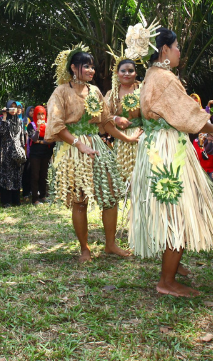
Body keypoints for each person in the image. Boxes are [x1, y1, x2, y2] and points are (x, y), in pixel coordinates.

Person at [126, 23, 213, 297]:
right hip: (168, 149)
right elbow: (186, 112)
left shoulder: (152, 74)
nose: (178, 54)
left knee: (171, 208)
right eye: (176, 48)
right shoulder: (164, 77)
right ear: (164, 50)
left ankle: (173, 266)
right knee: (177, 210)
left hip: (156, 147)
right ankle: (167, 281)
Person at [46, 44, 141, 262]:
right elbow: (56, 125)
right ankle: (85, 249)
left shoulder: (95, 91)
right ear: (73, 67)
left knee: (110, 196)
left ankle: (110, 244)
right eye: (85, 66)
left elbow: (106, 122)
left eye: (92, 67)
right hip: (73, 149)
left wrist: (126, 138)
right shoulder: (61, 92)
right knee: (80, 201)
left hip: (97, 147)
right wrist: (79, 144)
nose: (90, 70)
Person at [104, 54, 143, 185]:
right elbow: (102, 114)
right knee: (125, 179)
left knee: (142, 177)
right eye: (123, 71)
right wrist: (116, 119)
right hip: (121, 139)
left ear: (136, 73)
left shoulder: (143, 89)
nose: (127, 74)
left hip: (143, 137)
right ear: (117, 73)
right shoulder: (111, 94)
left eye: (131, 71)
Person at [0, 100, 27, 207]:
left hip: (17, 151)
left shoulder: (19, 121)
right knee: (6, 174)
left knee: (16, 174)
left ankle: (16, 199)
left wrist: (23, 150)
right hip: (6, 151)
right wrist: (4, 117)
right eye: (11, 107)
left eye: (15, 107)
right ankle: (6, 200)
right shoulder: (3, 120)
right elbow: (0, 132)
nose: (13, 109)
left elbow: (22, 136)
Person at [27, 105, 53, 205]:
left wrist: (40, 142)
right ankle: (35, 198)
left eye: (42, 114)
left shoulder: (48, 125)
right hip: (35, 154)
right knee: (35, 176)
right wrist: (38, 129)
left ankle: (43, 195)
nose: (41, 116)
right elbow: (33, 139)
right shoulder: (31, 125)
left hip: (46, 153)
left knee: (44, 175)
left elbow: (50, 140)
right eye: (39, 114)